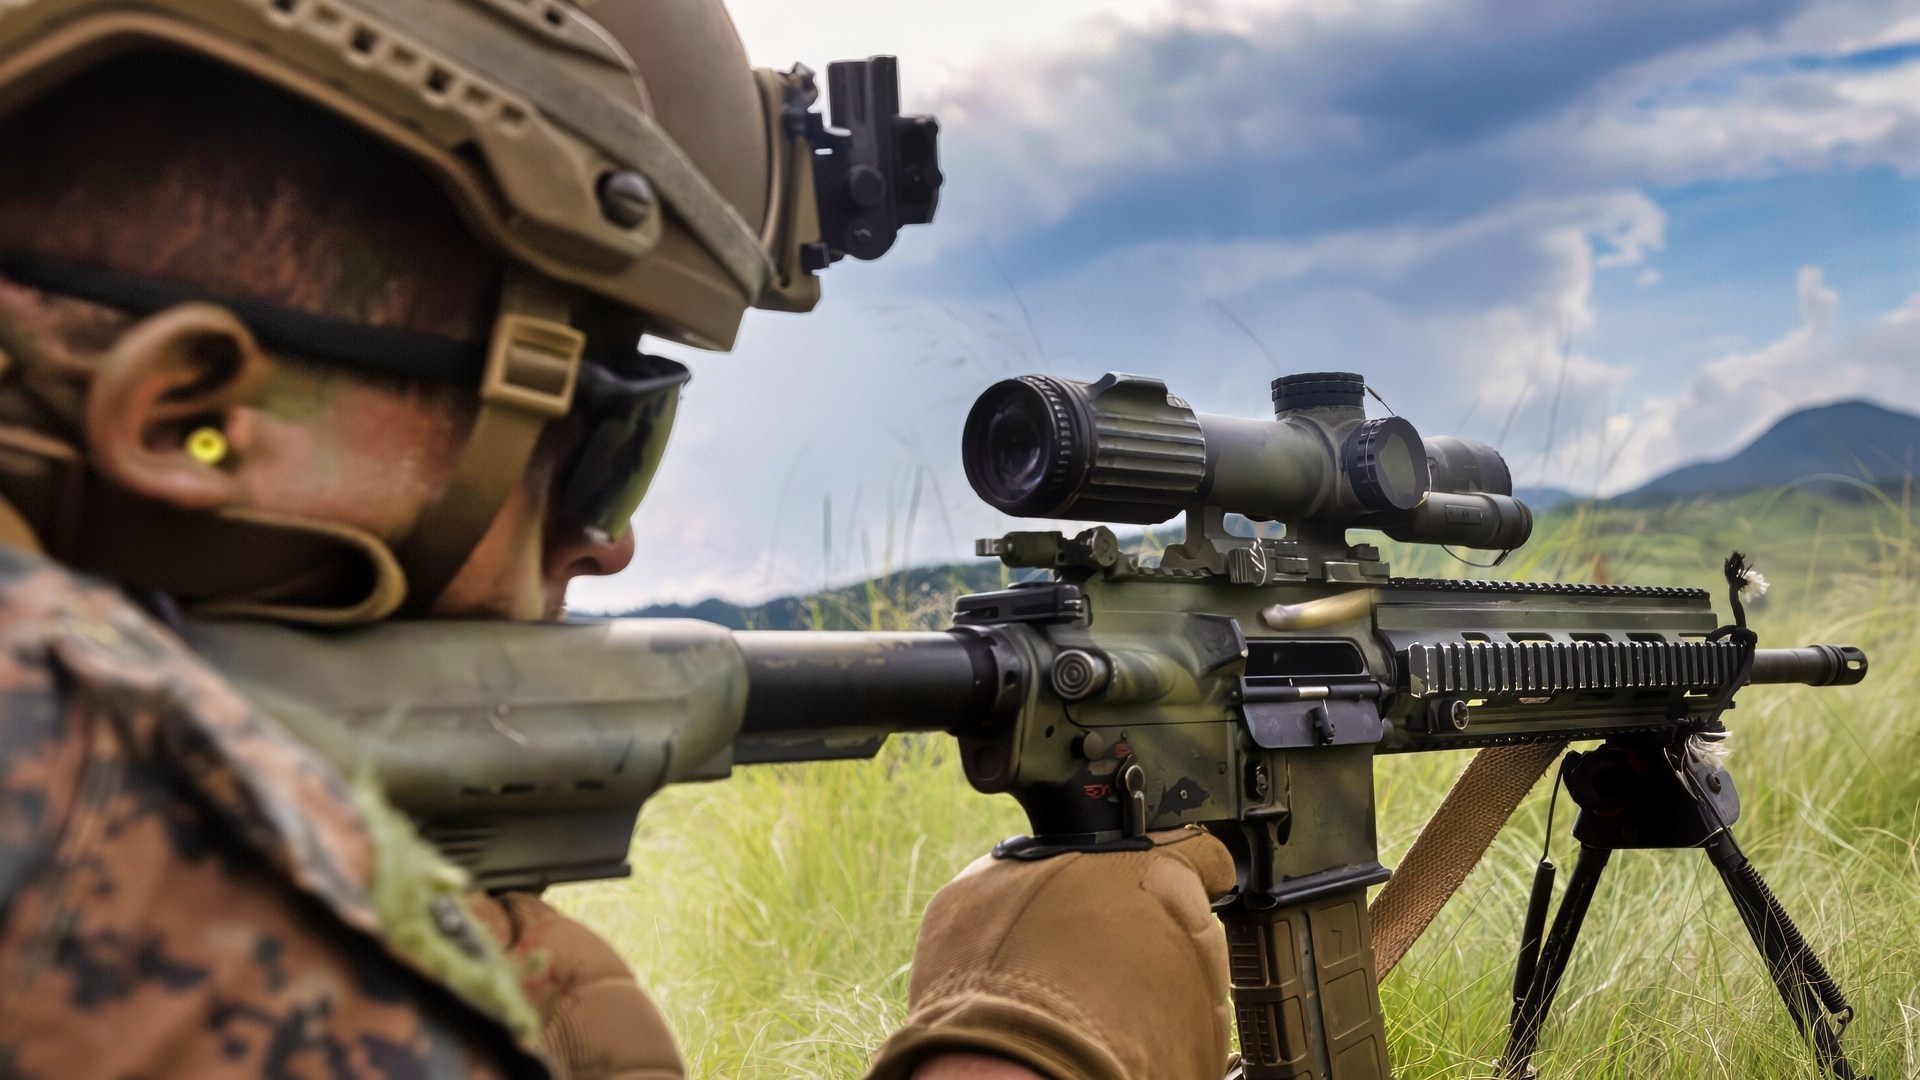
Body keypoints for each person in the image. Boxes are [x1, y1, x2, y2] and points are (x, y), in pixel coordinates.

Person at [0, 2, 1234, 1078]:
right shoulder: (138, 864)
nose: (614, 546)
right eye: (604, 440)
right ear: (202, 417)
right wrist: (1029, 1045)